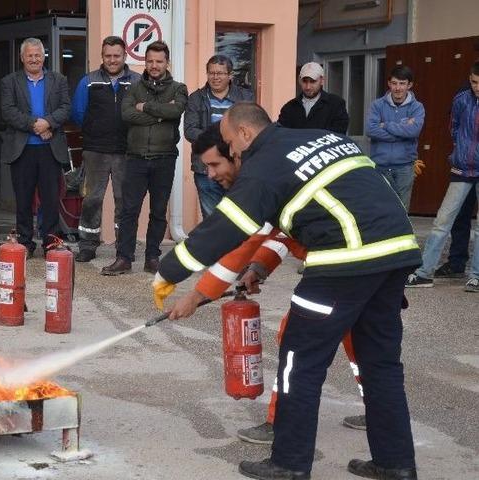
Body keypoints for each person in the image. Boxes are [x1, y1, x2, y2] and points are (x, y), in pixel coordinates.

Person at [154, 103, 420, 479]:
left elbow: (228, 228)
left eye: (230, 143)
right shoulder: (320, 138)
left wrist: (168, 271)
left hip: (344, 261)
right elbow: (290, 224)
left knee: (300, 364)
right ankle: (395, 463)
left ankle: (289, 464)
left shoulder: (265, 164)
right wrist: (256, 268)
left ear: (246, 133)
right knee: (381, 365)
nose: (231, 152)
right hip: (396, 253)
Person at [185, 124, 367, 445]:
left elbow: (252, 239)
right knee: (363, 340)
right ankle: (378, 408)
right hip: (371, 262)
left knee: (296, 338)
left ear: (236, 154)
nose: (210, 175)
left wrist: (197, 295)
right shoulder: (285, 165)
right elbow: (283, 230)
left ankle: (280, 420)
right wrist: (260, 266)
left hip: (339, 265)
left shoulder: (263, 181)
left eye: (215, 165)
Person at [101, 40, 187, 276]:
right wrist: (160, 115)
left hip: (165, 158)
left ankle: (152, 257)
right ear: (145, 62)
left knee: (158, 211)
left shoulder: (179, 88)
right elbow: (127, 115)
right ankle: (124, 258)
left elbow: (176, 110)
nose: (154, 65)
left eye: (159, 61)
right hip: (136, 158)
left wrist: (145, 107)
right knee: (129, 211)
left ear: (167, 63)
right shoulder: (133, 87)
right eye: (150, 61)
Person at [406, 61, 479, 292]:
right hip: (461, 168)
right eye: (474, 82)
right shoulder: (462, 100)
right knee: (442, 221)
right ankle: (424, 273)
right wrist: (460, 151)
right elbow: (454, 128)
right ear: (470, 79)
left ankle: (476, 277)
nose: (477, 87)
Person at [70, 35, 140, 262]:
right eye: (108, 56)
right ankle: (87, 246)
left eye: (116, 56)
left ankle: (124, 247)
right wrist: (95, 131)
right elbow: (78, 113)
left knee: (124, 201)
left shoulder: (138, 81)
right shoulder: (88, 81)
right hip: (95, 151)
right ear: (102, 56)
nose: (112, 60)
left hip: (127, 151)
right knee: (92, 199)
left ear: (125, 56)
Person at [0, 38, 71, 258]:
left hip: (50, 149)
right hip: (23, 150)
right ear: (22, 58)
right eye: (29, 55)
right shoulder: (9, 82)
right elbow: (8, 111)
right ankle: (25, 242)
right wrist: (36, 126)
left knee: (50, 199)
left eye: (37, 55)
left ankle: (50, 242)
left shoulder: (59, 80)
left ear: (43, 56)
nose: (34, 59)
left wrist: (48, 122)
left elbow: (65, 108)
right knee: (23, 199)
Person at [184, 55, 253, 218]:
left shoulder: (245, 97)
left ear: (230, 75)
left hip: (237, 169)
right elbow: (190, 130)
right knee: (212, 218)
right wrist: (222, 140)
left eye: (220, 73)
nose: (215, 77)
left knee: (238, 217)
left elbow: (251, 129)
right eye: (211, 73)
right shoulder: (196, 98)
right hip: (206, 169)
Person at [367, 65, 425, 208]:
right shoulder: (377, 105)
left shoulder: (417, 107)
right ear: (389, 83)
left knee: (402, 209)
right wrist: (403, 130)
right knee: (380, 208)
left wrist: (385, 125)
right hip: (380, 166)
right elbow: (371, 130)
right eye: (394, 83)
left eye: (402, 83)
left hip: (405, 167)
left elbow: (414, 132)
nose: (398, 88)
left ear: (409, 85)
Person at [278, 62, 349, 134]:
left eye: (312, 81)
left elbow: (339, 133)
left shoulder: (336, 104)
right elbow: (281, 133)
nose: (308, 87)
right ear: (299, 80)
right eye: (304, 81)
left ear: (322, 81)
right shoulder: (289, 107)